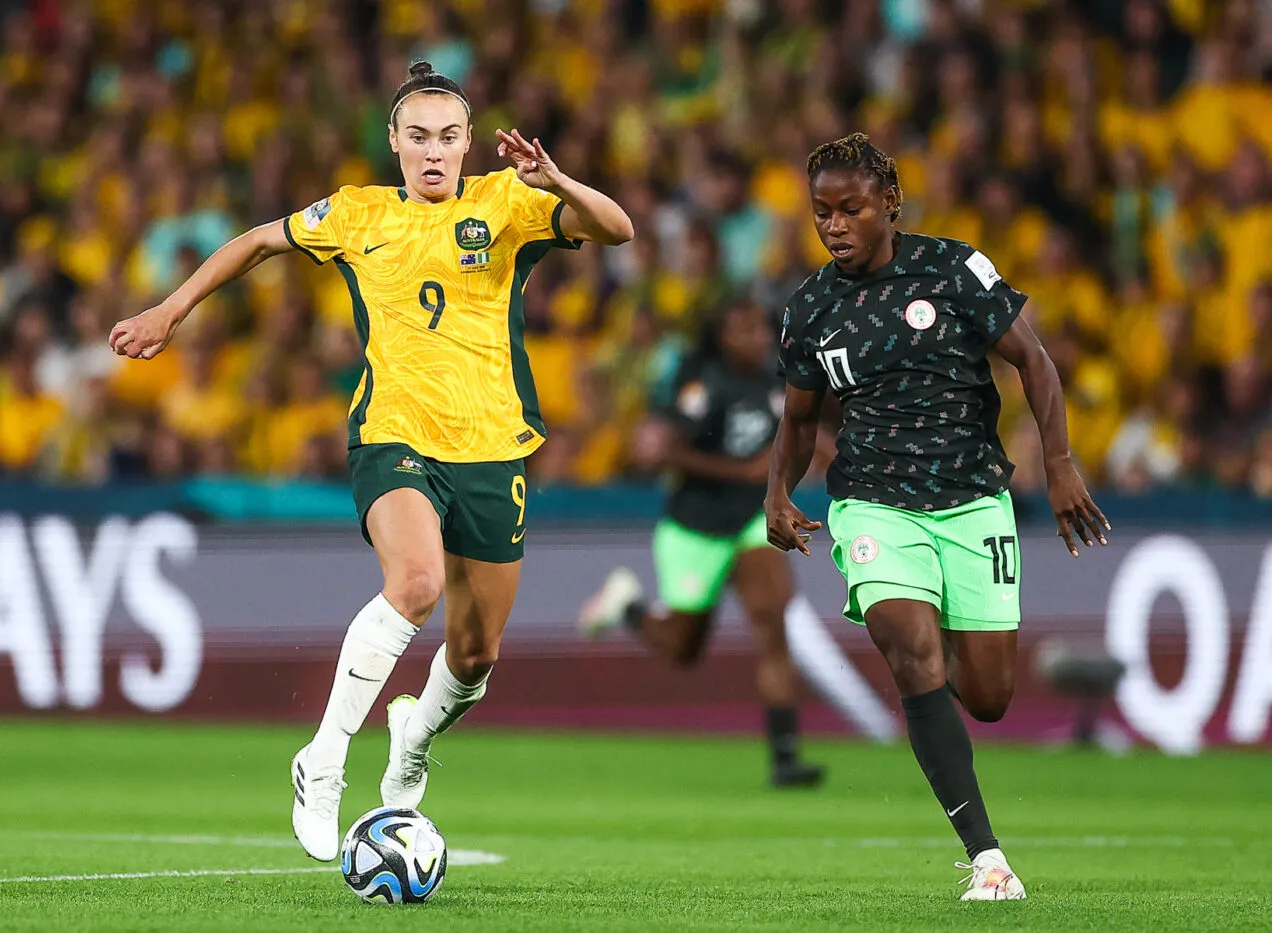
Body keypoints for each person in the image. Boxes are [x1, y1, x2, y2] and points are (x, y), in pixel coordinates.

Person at [109, 62, 633, 862]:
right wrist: (170, 310)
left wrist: (557, 178)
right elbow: (257, 241)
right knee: (415, 581)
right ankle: (321, 761)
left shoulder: (508, 202)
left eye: (448, 138)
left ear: (466, 144)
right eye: (417, 137)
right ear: (393, 141)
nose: (433, 152)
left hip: (495, 448)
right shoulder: (356, 214)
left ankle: (413, 737)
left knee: (476, 655)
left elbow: (617, 229)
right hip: (395, 435)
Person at [767, 134, 1109, 900]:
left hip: (972, 502)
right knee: (912, 652)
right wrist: (777, 493)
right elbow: (797, 420)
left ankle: (936, 691)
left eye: (850, 208)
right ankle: (987, 857)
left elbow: (1035, 360)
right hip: (872, 506)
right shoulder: (811, 310)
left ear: (888, 200)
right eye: (821, 212)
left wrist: (1058, 465)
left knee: (988, 696)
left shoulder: (955, 270)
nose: (835, 226)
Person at [580, 299, 825, 788]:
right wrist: (744, 472)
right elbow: (663, 454)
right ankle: (628, 608)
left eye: (760, 328)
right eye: (743, 329)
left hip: (751, 523)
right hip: (693, 527)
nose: (756, 338)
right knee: (681, 650)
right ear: (721, 337)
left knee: (772, 621)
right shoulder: (701, 388)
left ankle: (785, 757)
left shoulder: (778, 383)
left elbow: (804, 432)